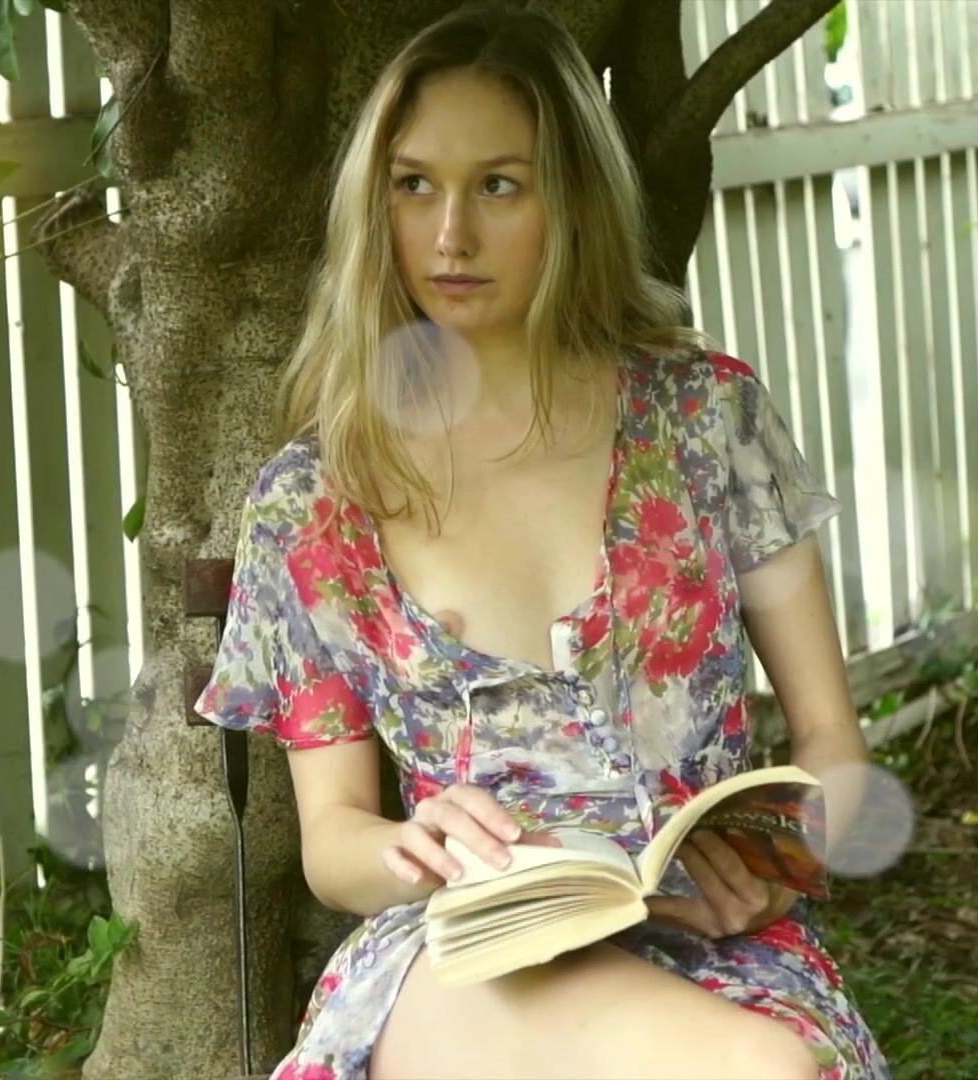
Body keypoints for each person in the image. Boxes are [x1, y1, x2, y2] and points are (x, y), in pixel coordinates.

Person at [194, 5, 888, 1078]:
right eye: (414, 184)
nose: (449, 235)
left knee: (776, 1065)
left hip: (718, 951)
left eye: (497, 186)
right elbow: (335, 839)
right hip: (464, 957)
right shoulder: (318, 496)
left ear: (571, 198)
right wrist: (413, 849)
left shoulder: (707, 420)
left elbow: (833, 742)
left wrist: (782, 858)